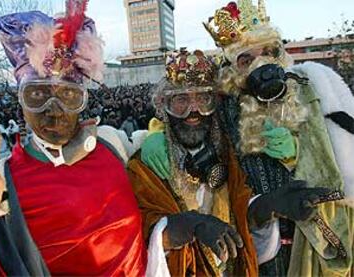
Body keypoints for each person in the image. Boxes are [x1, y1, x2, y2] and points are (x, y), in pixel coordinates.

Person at [142, 1, 353, 276]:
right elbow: (188, 117)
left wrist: (297, 152)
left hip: (316, 232)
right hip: (257, 237)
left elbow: (343, 147)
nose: (261, 65)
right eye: (246, 59)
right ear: (233, 69)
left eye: (268, 52)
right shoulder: (226, 104)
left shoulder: (309, 87)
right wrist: (157, 133)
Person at [0, 0, 147, 275]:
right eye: (37, 95)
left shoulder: (114, 143)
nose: (54, 112)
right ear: (21, 102)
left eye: (68, 96)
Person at [128, 49, 293, 277]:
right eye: (181, 99)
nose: (193, 111)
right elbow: (139, 230)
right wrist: (188, 226)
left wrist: (269, 205)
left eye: (203, 99)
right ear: (163, 105)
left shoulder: (229, 155)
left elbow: (242, 212)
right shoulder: (146, 165)